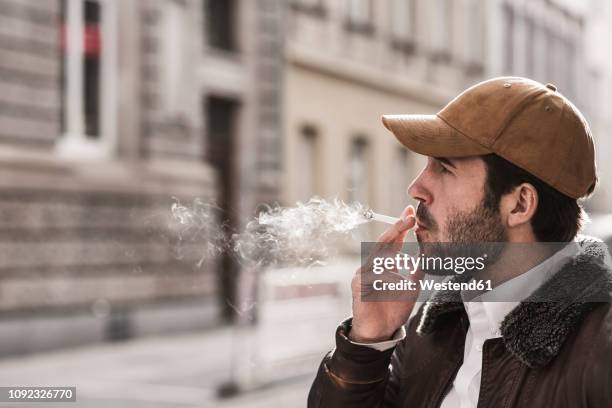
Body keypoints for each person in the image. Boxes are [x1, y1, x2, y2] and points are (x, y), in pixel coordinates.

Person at [308, 77, 612, 407]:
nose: (416, 188)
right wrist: (368, 342)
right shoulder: (433, 330)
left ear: (520, 204)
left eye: (444, 169)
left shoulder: (602, 350)